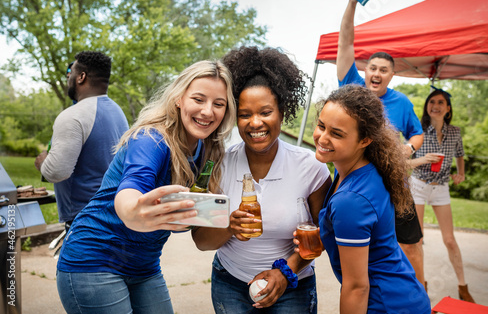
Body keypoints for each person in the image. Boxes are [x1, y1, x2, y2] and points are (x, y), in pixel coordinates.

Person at [56, 60, 237, 314]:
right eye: (198, 99)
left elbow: (193, 229)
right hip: (93, 261)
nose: (208, 111)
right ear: (178, 99)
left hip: (145, 267)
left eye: (219, 104)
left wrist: (222, 219)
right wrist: (133, 212)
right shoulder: (151, 139)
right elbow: (132, 188)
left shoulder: (207, 151)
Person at [192, 46, 332, 313]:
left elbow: (321, 236)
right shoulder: (216, 164)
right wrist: (229, 226)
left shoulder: (311, 167)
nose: (255, 123)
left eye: (265, 112)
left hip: (293, 288)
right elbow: (201, 241)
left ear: (281, 111)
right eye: (245, 114)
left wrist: (284, 274)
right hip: (229, 285)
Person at [304, 84, 430, 313]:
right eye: (321, 126)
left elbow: (356, 288)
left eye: (336, 133)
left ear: (365, 140)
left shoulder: (351, 200)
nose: (322, 138)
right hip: (405, 295)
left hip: (386, 305)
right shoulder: (365, 169)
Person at [336, 0, 426, 286]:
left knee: (410, 244)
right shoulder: (351, 88)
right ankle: (369, 290)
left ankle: (420, 289)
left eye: (383, 69)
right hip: (357, 184)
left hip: (394, 182)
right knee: (362, 247)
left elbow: (418, 133)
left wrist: (408, 147)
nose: (376, 73)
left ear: (391, 75)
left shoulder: (401, 102)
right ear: (365, 71)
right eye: (372, 67)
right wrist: (351, 3)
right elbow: (346, 43)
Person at [35, 51, 129, 233]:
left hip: (85, 220)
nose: (68, 79)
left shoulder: (74, 115)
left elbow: (56, 172)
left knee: (77, 263)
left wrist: (42, 163)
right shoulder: (118, 112)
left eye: (71, 74)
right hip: (115, 213)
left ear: (81, 77)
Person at [409, 87, 475, 302]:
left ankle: (463, 287)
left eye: (440, 103)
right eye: (432, 102)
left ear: (448, 109)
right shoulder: (417, 131)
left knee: (450, 240)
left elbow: (460, 154)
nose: (435, 106)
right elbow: (403, 162)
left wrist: (461, 173)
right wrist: (423, 159)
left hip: (441, 187)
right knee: (417, 240)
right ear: (427, 106)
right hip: (418, 184)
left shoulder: (454, 132)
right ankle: (421, 286)